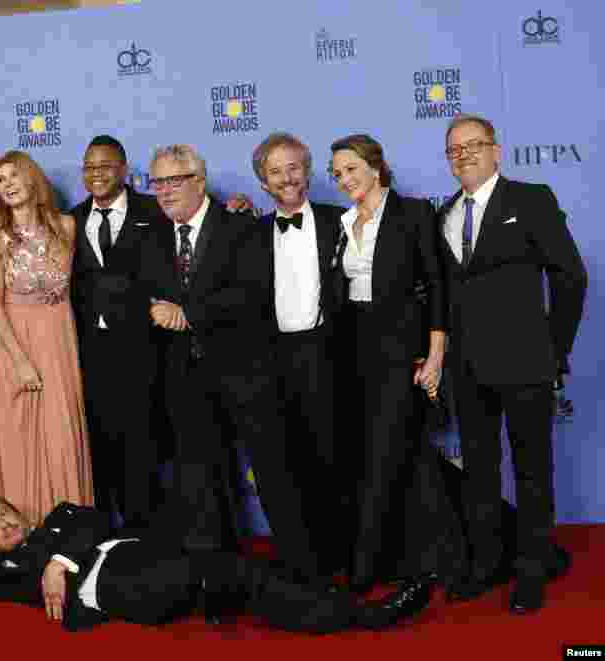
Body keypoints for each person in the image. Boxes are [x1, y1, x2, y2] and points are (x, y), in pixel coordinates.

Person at [135, 144, 317, 583]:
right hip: (184, 378)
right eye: (157, 182)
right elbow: (141, 293)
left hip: (245, 373)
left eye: (173, 181)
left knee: (274, 474)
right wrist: (153, 309)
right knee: (201, 483)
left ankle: (305, 570)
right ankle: (218, 581)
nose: (163, 191)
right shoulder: (151, 236)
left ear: (199, 180)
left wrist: (188, 314)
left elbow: (252, 294)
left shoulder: (242, 228)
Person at [437, 115, 586, 613]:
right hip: (468, 370)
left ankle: (531, 569)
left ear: (496, 151)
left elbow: (570, 277)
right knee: (479, 473)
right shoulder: (446, 215)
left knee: (532, 472)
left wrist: (553, 348)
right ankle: (485, 564)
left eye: (474, 145)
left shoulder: (531, 198)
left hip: (526, 364)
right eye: (454, 149)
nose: (464, 155)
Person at [0, 497, 425, 633]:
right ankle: (367, 615)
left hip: (147, 553)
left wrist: (57, 561)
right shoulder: (5, 575)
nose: (6, 523)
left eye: (6, 512)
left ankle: (335, 606)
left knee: (239, 572)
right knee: (243, 576)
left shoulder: (61, 519)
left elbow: (94, 522)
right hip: (123, 584)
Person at [328, 134, 465, 605]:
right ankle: (438, 557)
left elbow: (436, 284)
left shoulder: (412, 213)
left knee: (391, 454)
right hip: (354, 353)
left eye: (351, 169)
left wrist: (435, 355)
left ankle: (370, 567)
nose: (344, 179)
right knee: (397, 457)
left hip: (402, 353)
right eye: (338, 173)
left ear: (375, 166)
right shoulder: (343, 222)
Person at [250, 133, 351, 578]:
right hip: (272, 362)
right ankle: (301, 562)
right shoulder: (248, 233)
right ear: (263, 183)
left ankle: (343, 557)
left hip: (327, 354)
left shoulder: (342, 222)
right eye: (275, 171)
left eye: (293, 167)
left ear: (307, 172)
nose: (286, 178)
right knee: (285, 466)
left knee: (334, 459)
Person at [0, 150, 93, 524]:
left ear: (33, 180)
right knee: (20, 441)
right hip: (12, 343)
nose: (7, 184)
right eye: (0, 179)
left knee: (62, 436)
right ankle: (24, 534)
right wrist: (21, 362)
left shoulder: (67, 226)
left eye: (14, 176)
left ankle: (72, 531)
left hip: (58, 337)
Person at [70, 135, 171, 529]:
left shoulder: (155, 210)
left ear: (125, 170)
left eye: (106, 166)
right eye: (90, 167)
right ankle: (106, 538)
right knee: (99, 448)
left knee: (144, 450)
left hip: (145, 349)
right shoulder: (70, 219)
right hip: (90, 351)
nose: (97, 174)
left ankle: (145, 536)